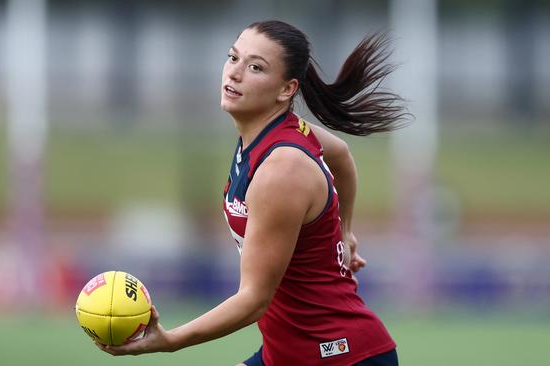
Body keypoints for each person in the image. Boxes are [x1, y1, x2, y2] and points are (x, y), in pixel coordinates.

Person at [96, 20, 407, 365]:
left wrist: (169, 341)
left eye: (255, 67)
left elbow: (253, 301)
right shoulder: (273, 135)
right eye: (233, 58)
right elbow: (342, 156)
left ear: (286, 90)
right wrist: (345, 232)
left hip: (339, 355)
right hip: (289, 353)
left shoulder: (281, 170)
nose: (235, 73)